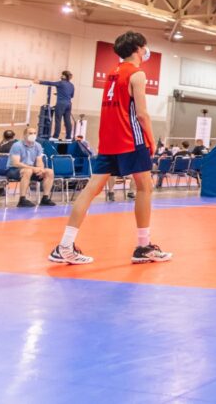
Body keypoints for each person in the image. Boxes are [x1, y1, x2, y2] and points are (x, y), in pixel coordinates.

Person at [48, 31, 172, 264]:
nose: (147, 52)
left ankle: (64, 245)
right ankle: (143, 246)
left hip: (108, 139)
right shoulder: (137, 74)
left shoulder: (112, 73)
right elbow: (142, 113)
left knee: (91, 189)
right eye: (145, 47)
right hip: (130, 138)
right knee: (145, 188)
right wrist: (151, 139)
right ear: (138, 48)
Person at [7, 129, 55, 207]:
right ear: (25, 135)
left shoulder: (38, 145)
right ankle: (22, 200)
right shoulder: (17, 145)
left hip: (30, 169)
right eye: (30, 133)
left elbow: (39, 161)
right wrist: (33, 168)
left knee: (49, 172)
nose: (33, 135)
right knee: (28, 171)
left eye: (34, 133)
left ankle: (45, 198)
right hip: (13, 170)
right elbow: (16, 163)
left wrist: (41, 169)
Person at [34, 71, 75, 140]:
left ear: (64, 76)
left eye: (62, 75)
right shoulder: (71, 85)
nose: (61, 76)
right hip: (69, 104)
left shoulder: (61, 83)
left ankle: (55, 137)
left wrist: (39, 82)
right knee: (67, 120)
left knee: (58, 120)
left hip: (61, 104)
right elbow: (71, 96)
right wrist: (60, 94)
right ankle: (68, 137)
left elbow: (50, 83)